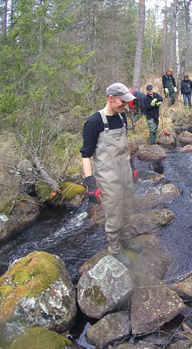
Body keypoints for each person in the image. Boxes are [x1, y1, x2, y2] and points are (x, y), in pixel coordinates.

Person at [80, 82, 143, 268]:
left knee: (127, 208)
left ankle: (126, 239)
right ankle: (115, 249)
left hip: (125, 172)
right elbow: (85, 155)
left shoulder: (122, 117)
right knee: (114, 213)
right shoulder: (94, 122)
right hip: (107, 177)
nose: (125, 105)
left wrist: (132, 167)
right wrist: (91, 184)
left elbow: (125, 147)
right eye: (122, 101)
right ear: (111, 98)